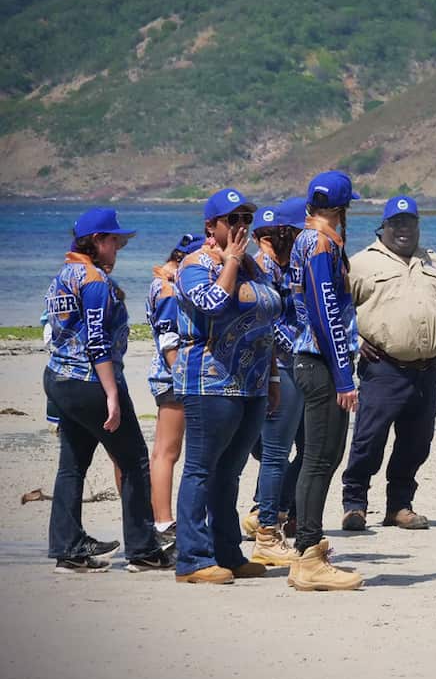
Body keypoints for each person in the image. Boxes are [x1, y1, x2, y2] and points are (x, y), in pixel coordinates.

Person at [43, 207, 171, 573]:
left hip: (59, 378)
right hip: (90, 381)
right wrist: (112, 394)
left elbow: (54, 330)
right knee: (135, 461)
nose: (118, 248)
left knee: (72, 465)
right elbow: (96, 341)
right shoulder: (94, 280)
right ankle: (143, 549)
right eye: (115, 241)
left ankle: (68, 548)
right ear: (97, 241)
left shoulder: (63, 276)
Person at [172, 188, 281, 584]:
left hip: (252, 383)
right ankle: (192, 559)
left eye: (246, 219)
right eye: (232, 219)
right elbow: (213, 303)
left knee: (230, 472)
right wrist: (231, 260)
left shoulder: (254, 266)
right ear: (210, 226)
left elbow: (268, 320)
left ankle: (227, 553)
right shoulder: (194, 265)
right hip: (209, 383)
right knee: (201, 470)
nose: (241, 227)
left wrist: (272, 377)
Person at [340, 195, 436, 532]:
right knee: (369, 440)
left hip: (428, 371)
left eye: (409, 222)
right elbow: (336, 308)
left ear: (417, 225)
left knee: (416, 443)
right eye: (396, 223)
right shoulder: (361, 263)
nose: (403, 229)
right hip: (384, 368)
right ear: (383, 226)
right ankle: (355, 505)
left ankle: (399, 506)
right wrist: (355, 341)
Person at [288, 170, 364, 591]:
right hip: (320, 362)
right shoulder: (320, 244)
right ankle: (308, 554)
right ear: (340, 210)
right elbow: (324, 311)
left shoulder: (306, 239)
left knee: (324, 458)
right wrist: (343, 375)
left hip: (314, 359)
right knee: (319, 459)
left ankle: (308, 549)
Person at [245, 198, 307, 566]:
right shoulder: (262, 267)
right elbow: (267, 323)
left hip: (291, 365)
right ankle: (267, 522)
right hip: (279, 368)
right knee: (274, 453)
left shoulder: (288, 264)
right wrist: (301, 347)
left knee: (306, 449)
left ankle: (277, 512)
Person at [145, 232, 205, 549]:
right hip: (172, 376)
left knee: (164, 450)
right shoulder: (168, 289)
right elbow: (169, 340)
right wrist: (184, 378)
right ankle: (164, 521)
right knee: (167, 452)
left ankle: (162, 519)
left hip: (166, 374)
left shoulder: (161, 283)